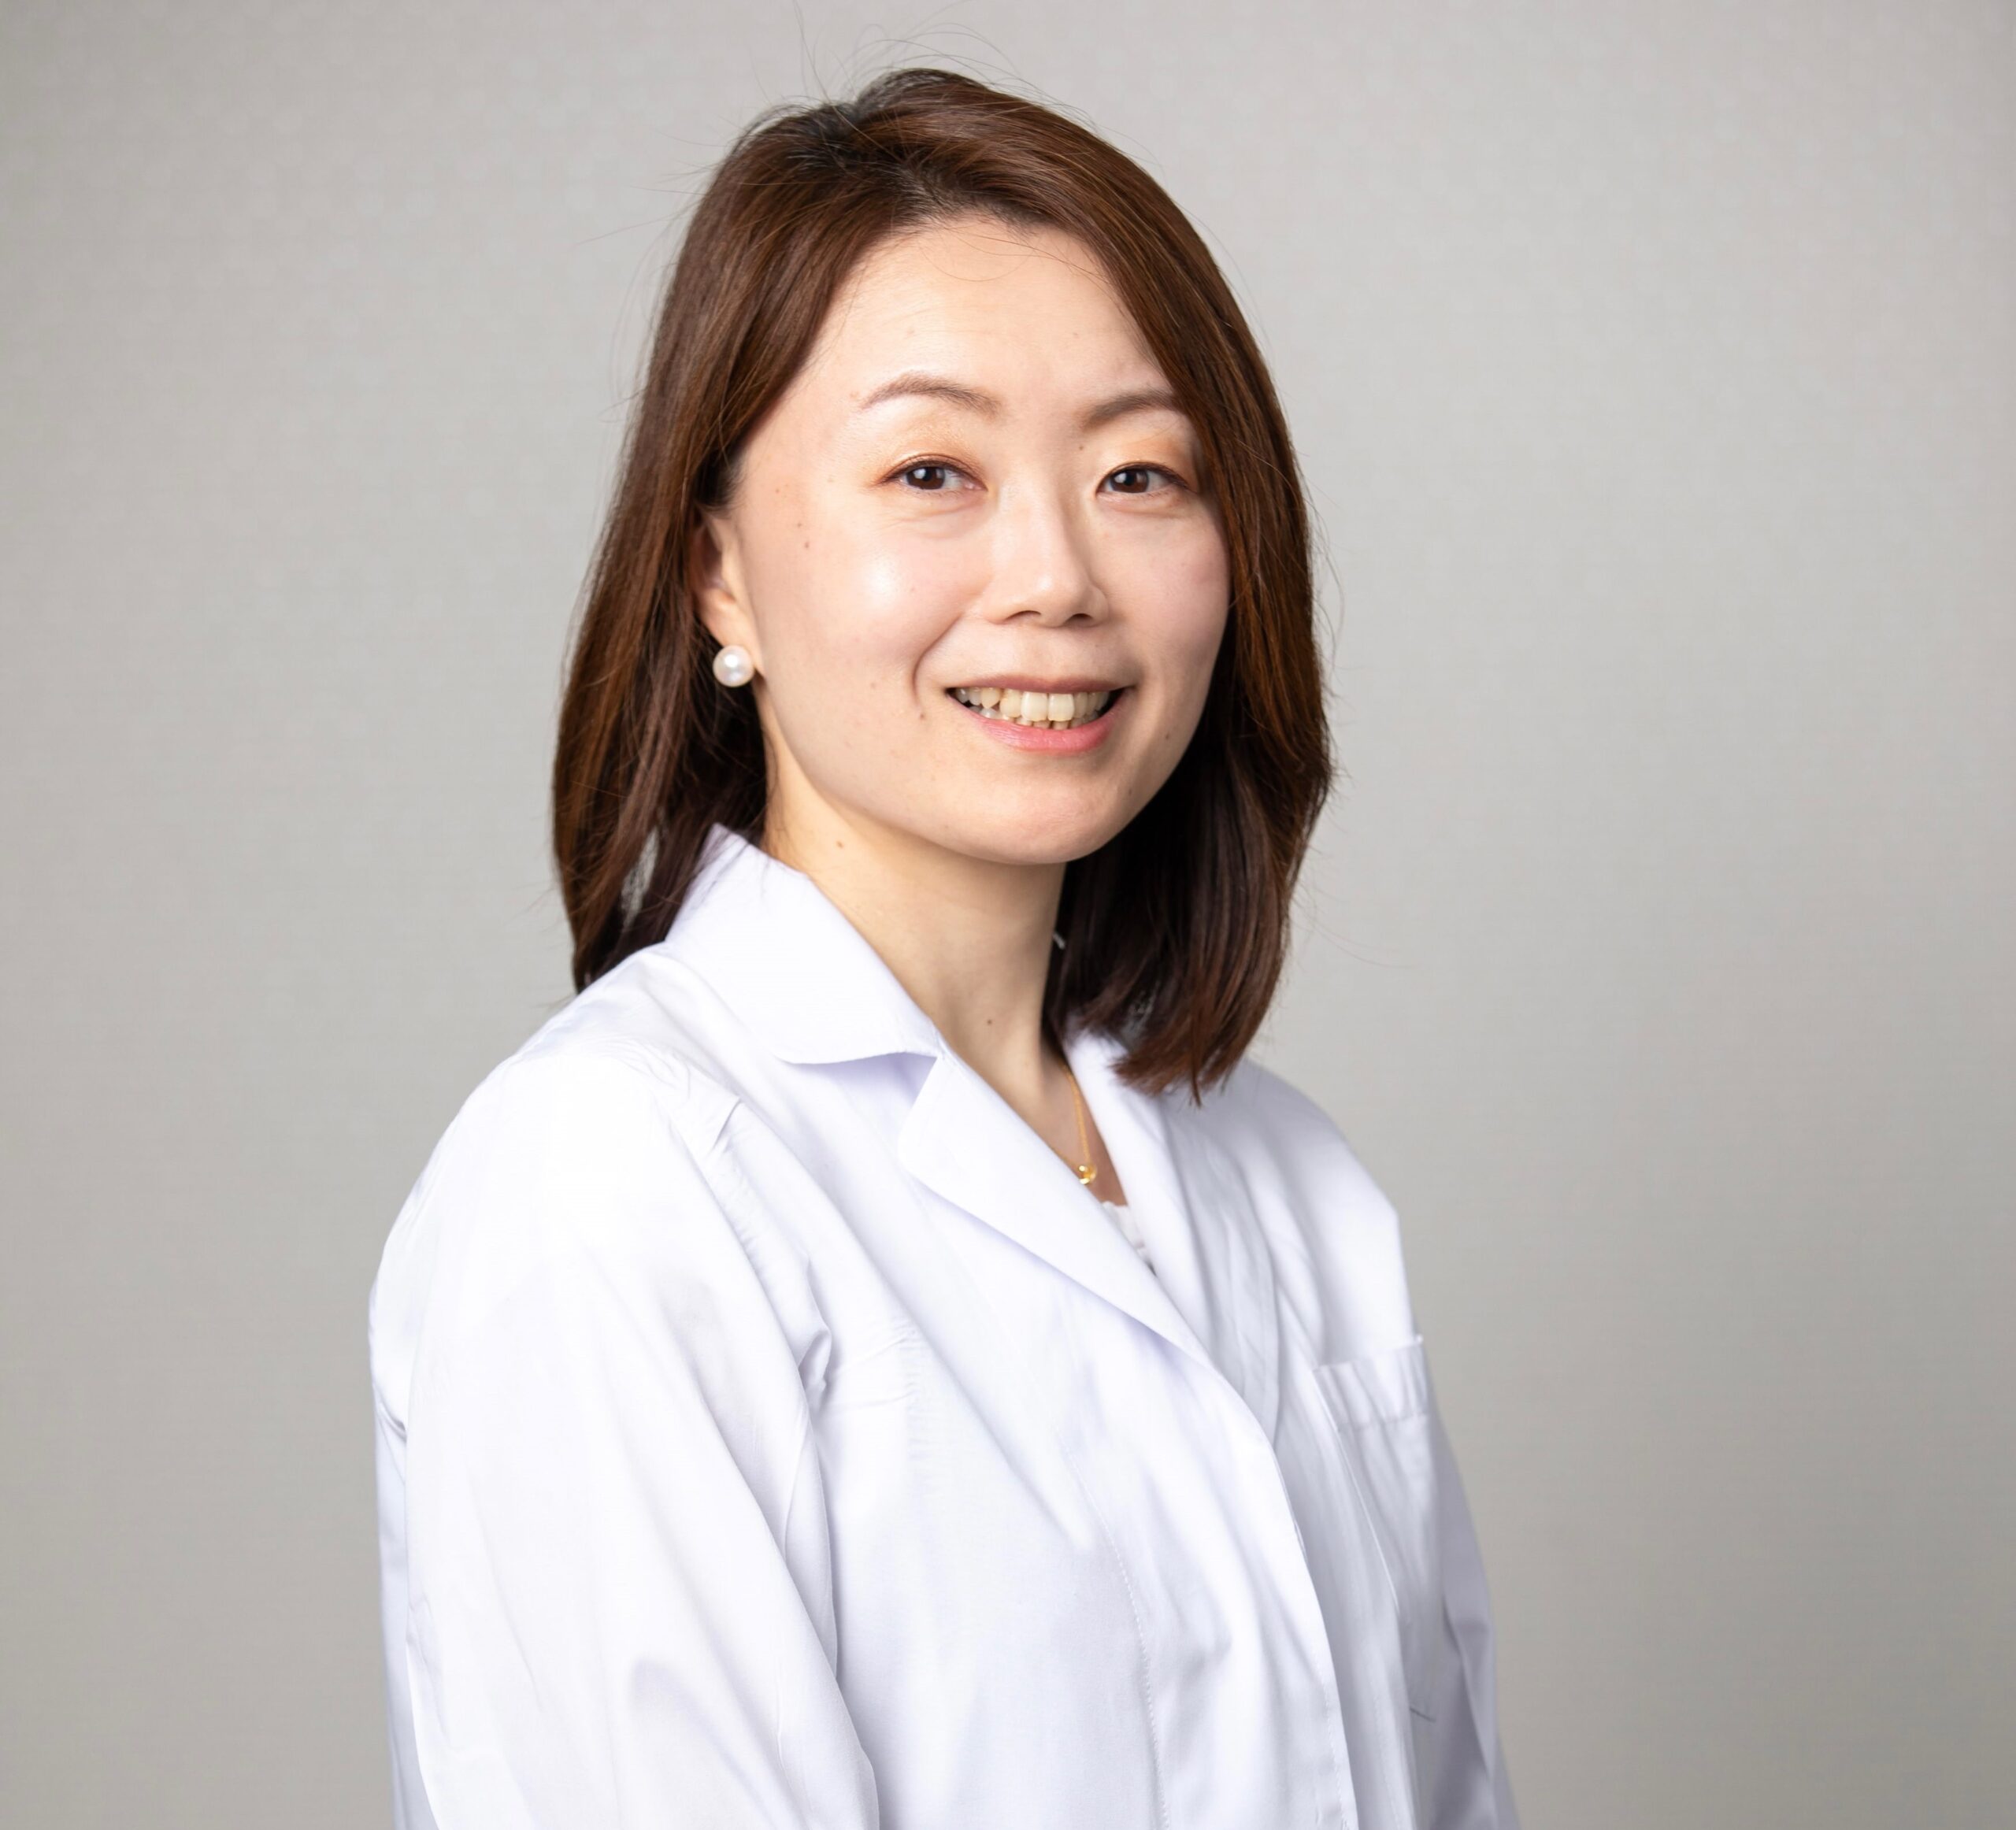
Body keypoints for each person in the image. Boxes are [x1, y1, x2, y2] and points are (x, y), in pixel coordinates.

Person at [368, 66, 1518, 1830]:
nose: (1056, 575)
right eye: (930, 471)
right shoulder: (610, 1188)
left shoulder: (1292, 1184)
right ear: (717, 575)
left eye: (1139, 472)